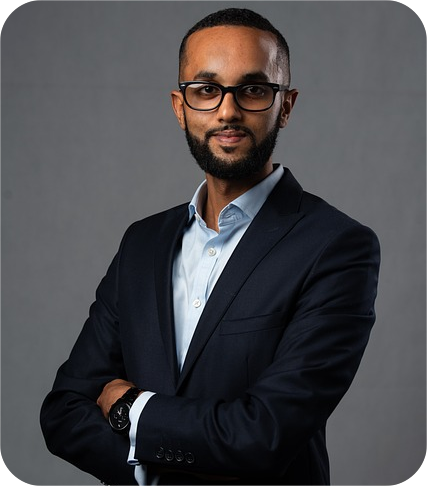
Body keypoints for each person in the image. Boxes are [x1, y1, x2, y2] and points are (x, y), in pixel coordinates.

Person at [40, 7, 380, 486]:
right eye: (206, 89)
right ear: (180, 107)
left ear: (285, 105)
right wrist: (151, 470)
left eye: (253, 89)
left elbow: (264, 435)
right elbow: (63, 411)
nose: (227, 111)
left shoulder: (337, 247)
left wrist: (130, 408)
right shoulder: (142, 244)